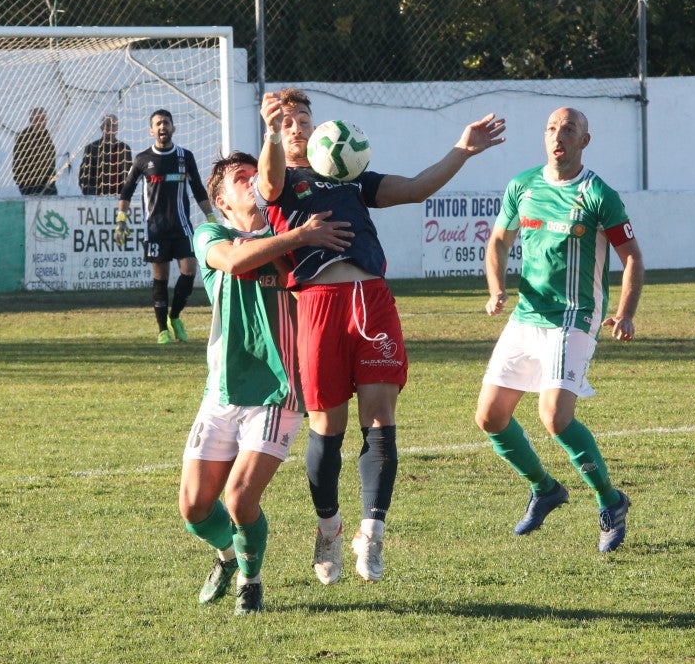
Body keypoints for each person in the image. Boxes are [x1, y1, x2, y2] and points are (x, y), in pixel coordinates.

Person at [257, 87, 507, 583]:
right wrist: (269, 133)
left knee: (380, 418)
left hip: (371, 300)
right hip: (319, 305)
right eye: (287, 122)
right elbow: (267, 182)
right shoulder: (281, 179)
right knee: (326, 427)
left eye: (303, 118)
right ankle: (329, 528)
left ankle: (371, 533)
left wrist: (463, 149)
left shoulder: (348, 175)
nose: (297, 126)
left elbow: (414, 188)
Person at [179, 151, 353, 615]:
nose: (252, 180)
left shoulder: (293, 233)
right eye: (241, 178)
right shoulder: (212, 234)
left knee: (239, 499)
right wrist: (300, 236)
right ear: (222, 201)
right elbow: (235, 262)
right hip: (223, 390)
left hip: (280, 392)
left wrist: (298, 237)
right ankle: (228, 555)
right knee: (194, 508)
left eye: (256, 174)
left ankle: (250, 582)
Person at [475, 106, 644, 553]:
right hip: (527, 315)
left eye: (569, 129)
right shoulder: (523, 185)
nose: (558, 136)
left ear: (584, 141)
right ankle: (545, 488)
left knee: (554, 417)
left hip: (575, 316)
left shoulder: (598, 194)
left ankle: (610, 501)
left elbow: (632, 257)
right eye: (552, 128)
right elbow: (498, 241)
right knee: (490, 417)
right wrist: (496, 288)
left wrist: (625, 313)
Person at [116, 109, 215, 344]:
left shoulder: (185, 156)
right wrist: (121, 219)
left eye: (166, 123)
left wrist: (210, 216)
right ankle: (162, 330)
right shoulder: (142, 159)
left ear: (173, 128)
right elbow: (127, 190)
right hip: (156, 229)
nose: (163, 127)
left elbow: (198, 188)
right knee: (160, 278)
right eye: (158, 124)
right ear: (151, 130)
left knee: (189, 271)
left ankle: (175, 316)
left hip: (182, 227)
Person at [79, 114, 132, 196]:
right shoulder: (92, 148)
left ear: (117, 128)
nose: (110, 128)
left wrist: (126, 194)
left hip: (120, 197)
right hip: (98, 198)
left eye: (114, 125)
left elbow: (130, 175)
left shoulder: (125, 149)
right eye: (107, 125)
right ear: (101, 127)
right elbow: (84, 177)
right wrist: (92, 196)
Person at [12, 106, 59, 196]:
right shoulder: (24, 138)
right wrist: (25, 185)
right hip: (31, 186)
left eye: (43, 119)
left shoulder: (46, 137)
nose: (41, 122)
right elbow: (18, 165)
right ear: (31, 120)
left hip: (49, 185)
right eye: (37, 119)